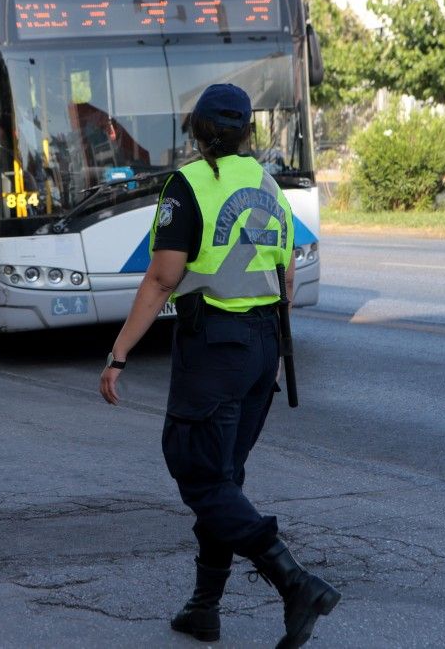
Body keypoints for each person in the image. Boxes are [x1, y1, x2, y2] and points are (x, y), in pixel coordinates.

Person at [99, 84, 340, 648]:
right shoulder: (267, 185)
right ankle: (204, 607)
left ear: (198, 132)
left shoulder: (189, 185)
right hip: (261, 348)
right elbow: (285, 276)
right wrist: (277, 354)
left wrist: (119, 353)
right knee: (223, 479)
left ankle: (294, 581)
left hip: (215, 348)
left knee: (198, 471)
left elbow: (161, 278)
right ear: (247, 133)